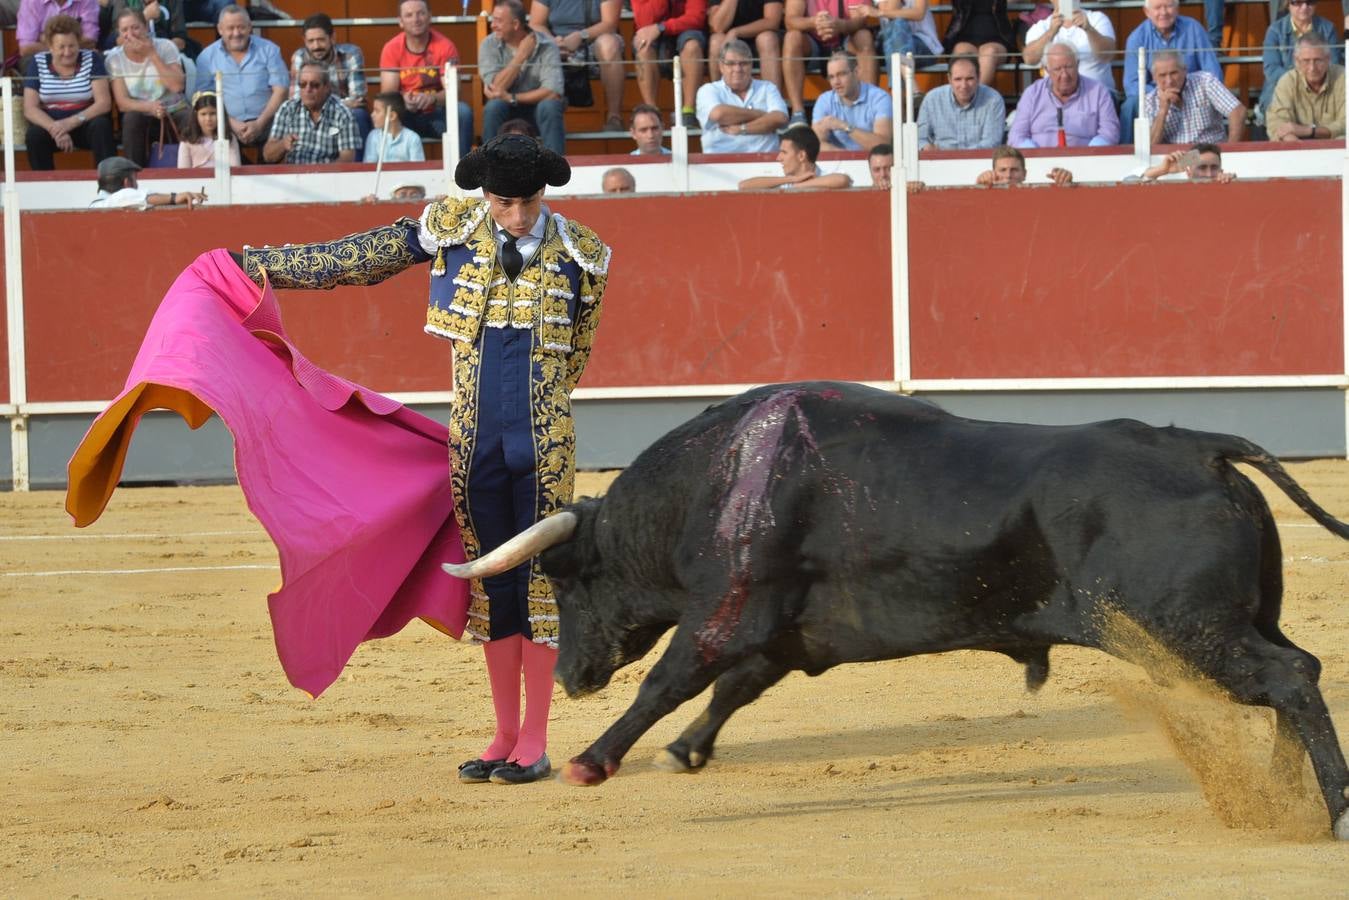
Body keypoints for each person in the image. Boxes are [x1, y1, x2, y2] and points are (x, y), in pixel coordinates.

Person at [235, 133, 612, 786]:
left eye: (526, 203)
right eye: (502, 202)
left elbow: (576, 356)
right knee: (493, 589)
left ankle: (535, 741)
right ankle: (501, 734)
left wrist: (540, 417)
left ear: (544, 194)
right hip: (473, 444)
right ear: (485, 195)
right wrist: (264, 265)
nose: (515, 215)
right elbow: (362, 258)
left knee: (541, 586)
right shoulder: (452, 227)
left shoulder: (584, 255)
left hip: (544, 450)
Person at [378, 0, 474, 154]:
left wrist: (432, 98)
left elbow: (455, 92)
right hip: (405, 115)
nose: (416, 19)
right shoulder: (392, 48)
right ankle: (393, 172)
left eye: (421, 13)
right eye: (409, 15)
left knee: (463, 112)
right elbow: (388, 95)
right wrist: (403, 101)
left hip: (437, 113)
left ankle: (463, 172)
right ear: (400, 22)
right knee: (388, 112)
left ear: (430, 16)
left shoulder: (445, 46)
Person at [21, 14, 116, 170]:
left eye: (72, 46)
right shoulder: (37, 62)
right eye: (61, 47)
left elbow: (103, 103)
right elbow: (30, 109)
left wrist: (70, 123)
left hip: (84, 122)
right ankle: (44, 185)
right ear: (50, 47)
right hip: (51, 126)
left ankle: (109, 180)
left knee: (101, 126)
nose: (67, 52)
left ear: (78, 43)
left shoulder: (92, 59)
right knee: (34, 136)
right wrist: (56, 128)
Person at [193, 4, 288, 158]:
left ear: (250, 27)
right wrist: (230, 123)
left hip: (268, 121)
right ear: (220, 29)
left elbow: (281, 90)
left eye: (241, 27)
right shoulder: (206, 57)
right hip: (225, 124)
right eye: (230, 28)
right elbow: (205, 97)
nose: (236, 33)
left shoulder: (270, 50)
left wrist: (259, 123)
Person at [1121, 0, 1222, 140]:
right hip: (1154, 98)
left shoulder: (1193, 28)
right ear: (1146, 12)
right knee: (1130, 105)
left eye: (1168, 6)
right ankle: (1130, 156)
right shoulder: (1136, 38)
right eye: (1157, 8)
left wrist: (1186, 92)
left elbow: (1213, 72)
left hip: (1193, 93)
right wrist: (1162, 95)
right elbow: (1131, 84)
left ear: (1177, 8)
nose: (1163, 12)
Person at [104, 7, 190, 168]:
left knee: (189, 117)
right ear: (119, 33)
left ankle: (196, 171)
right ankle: (134, 173)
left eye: (135, 27)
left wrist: (152, 55)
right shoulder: (114, 59)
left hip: (172, 108)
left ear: (145, 27)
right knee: (131, 119)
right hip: (141, 110)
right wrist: (150, 107)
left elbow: (177, 86)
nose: (131, 34)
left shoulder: (165, 47)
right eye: (124, 30)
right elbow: (122, 103)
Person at [479, 0, 566, 156]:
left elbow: (552, 91)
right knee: (493, 107)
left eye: (498, 21)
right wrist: (520, 57)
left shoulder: (547, 45)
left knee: (550, 106)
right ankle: (489, 166)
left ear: (516, 24)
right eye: (493, 20)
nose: (492, 25)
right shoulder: (488, 44)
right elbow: (495, 88)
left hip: (538, 110)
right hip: (506, 111)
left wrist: (511, 97)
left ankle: (555, 167)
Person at [529, 0, 626, 132]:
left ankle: (614, 117)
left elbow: (610, 24)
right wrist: (553, 42)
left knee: (609, 44)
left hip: (593, 42)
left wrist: (581, 36)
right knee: (529, 44)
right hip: (556, 44)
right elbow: (535, 24)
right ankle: (540, 115)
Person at [782, 0, 876, 125]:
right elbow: (790, 20)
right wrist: (815, 22)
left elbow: (860, 20)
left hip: (844, 40)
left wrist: (841, 26)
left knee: (863, 36)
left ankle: (868, 108)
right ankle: (798, 113)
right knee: (792, 37)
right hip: (812, 43)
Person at [1008, 43, 1119, 148]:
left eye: (1069, 67)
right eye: (1057, 69)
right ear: (1047, 70)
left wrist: (1089, 154)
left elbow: (1110, 132)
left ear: (1078, 64)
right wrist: (1036, 155)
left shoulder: (1098, 91)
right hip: (1040, 163)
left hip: (1085, 162)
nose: (1064, 75)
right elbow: (1016, 136)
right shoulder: (1032, 93)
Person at [695, 37, 788, 153]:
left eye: (743, 63)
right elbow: (719, 114)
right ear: (721, 66)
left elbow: (780, 118)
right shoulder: (708, 90)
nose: (737, 69)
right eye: (731, 64)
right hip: (721, 163)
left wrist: (741, 129)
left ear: (751, 65)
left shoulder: (767, 88)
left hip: (766, 164)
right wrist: (762, 114)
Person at [290, 13, 371, 139]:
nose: (316, 46)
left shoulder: (350, 54)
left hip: (345, 114)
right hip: (313, 113)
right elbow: (296, 101)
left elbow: (358, 99)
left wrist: (322, 107)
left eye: (321, 40)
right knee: (295, 118)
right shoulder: (299, 57)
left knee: (359, 115)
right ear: (304, 41)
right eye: (311, 41)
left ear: (332, 38)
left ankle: (359, 160)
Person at [263, 62, 360, 164]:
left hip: (327, 176)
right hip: (293, 176)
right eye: (303, 84)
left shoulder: (342, 114)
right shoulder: (287, 109)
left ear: (327, 87)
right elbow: (268, 156)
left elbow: (347, 159)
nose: (307, 89)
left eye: (314, 85)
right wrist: (283, 144)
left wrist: (318, 175)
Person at [631, 0, 708, 129]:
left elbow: (696, 18)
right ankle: (651, 113)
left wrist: (663, 27)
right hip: (651, 32)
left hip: (686, 28)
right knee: (643, 48)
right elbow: (643, 21)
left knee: (692, 46)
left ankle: (688, 111)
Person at [1144, 50, 1245, 146]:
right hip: (1176, 159)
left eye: (1174, 73)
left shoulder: (1205, 81)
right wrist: (1162, 111)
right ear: (1154, 77)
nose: (1169, 81)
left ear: (1184, 70)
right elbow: (1150, 146)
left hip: (1210, 154)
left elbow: (1238, 111)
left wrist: (1229, 151)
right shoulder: (1149, 101)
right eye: (1162, 75)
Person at [1261, 5, 1342, 122]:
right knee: (1274, 107)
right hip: (1283, 86)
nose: (1304, 7)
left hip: (1320, 85)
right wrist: (1300, 82)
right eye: (1298, 2)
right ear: (1288, 3)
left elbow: (1332, 65)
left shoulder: (1328, 28)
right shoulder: (1274, 30)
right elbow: (1271, 70)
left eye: (1309, 1)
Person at [1266, 34, 1345, 141]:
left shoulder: (1344, 77)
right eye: (1306, 61)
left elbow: (1346, 124)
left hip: (1336, 152)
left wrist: (1308, 131)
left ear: (1328, 59)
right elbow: (1277, 122)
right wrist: (1294, 142)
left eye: (1318, 60)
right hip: (1297, 150)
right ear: (1296, 60)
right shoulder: (1287, 81)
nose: (1312, 68)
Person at [915, 55, 1004, 150]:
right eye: (958, 79)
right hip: (940, 162)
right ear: (949, 79)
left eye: (969, 79)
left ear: (979, 77)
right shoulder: (932, 99)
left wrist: (955, 155)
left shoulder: (993, 99)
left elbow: (992, 142)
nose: (964, 85)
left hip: (979, 162)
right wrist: (926, 147)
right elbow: (920, 139)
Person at [811, 49, 892, 151]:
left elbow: (883, 145)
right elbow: (815, 144)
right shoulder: (824, 101)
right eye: (831, 77)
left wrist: (844, 126)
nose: (836, 82)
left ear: (856, 72)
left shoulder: (880, 98)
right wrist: (848, 158)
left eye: (841, 74)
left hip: (874, 164)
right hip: (838, 164)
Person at [1021, 3, 1116, 90]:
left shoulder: (1097, 19)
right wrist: (1051, 32)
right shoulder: (1041, 27)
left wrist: (1089, 29)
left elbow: (1107, 56)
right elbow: (1029, 59)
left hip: (1098, 95)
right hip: (1056, 97)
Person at [737, 123, 853, 189]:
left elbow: (842, 180)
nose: (778, 158)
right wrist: (791, 180)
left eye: (784, 152)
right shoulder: (783, 182)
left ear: (801, 155)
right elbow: (744, 186)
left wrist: (798, 186)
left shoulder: (827, 176)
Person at [853, 0, 942, 82]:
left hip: (923, 45)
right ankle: (911, 90)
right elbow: (890, 8)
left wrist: (880, 13)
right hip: (890, 45)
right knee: (895, 32)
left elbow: (919, 13)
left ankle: (902, 93)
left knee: (899, 24)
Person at [707, 0, 783, 97]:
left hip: (760, 36)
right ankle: (720, 98)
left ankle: (773, 101)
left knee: (767, 39)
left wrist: (736, 32)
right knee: (716, 41)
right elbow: (717, 26)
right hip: (730, 40)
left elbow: (772, 21)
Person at [941, 0, 1016, 87]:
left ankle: (976, 97)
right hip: (963, 36)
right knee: (962, 54)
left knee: (990, 53)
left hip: (998, 36)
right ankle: (968, 96)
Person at [89, 155, 206, 208]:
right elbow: (127, 195)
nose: (137, 185)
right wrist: (175, 198)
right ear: (127, 183)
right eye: (135, 179)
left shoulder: (95, 205)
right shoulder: (122, 196)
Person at [177, 88, 242, 167]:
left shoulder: (229, 138)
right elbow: (183, 172)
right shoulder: (187, 140)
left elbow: (235, 167)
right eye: (203, 114)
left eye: (213, 113)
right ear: (196, 115)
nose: (208, 119)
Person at [16, 0, 98, 57]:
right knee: (29, 64)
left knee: (97, 60)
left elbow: (90, 40)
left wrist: (45, 38)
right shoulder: (30, 1)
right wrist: (66, 47)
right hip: (41, 56)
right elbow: (26, 48)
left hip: (77, 55)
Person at [364, 91, 425, 162]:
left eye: (377, 111)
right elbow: (369, 167)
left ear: (392, 116)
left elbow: (417, 169)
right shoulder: (373, 136)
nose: (372, 115)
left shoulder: (412, 138)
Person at [974, 144, 1073, 186]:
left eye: (1014, 170)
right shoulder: (986, 193)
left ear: (1024, 173)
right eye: (1003, 170)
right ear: (993, 172)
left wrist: (1065, 182)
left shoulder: (1036, 197)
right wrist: (979, 187)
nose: (1008, 175)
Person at [1137, 142, 1235, 181]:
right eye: (1202, 167)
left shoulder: (1227, 184)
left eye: (1214, 168)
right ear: (1189, 172)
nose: (1209, 174)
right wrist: (1162, 170)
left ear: (1221, 171)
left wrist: (1232, 182)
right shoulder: (1176, 193)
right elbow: (1130, 181)